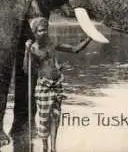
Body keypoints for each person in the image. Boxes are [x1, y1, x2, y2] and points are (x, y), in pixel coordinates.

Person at [23, 17, 92, 152]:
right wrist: (26, 51)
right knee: (44, 119)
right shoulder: (33, 48)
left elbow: (74, 49)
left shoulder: (52, 43)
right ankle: (45, 147)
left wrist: (89, 38)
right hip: (43, 86)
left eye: (46, 30)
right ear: (35, 32)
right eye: (41, 30)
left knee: (55, 116)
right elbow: (26, 70)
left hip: (57, 85)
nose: (45, 33)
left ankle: (53, 148)